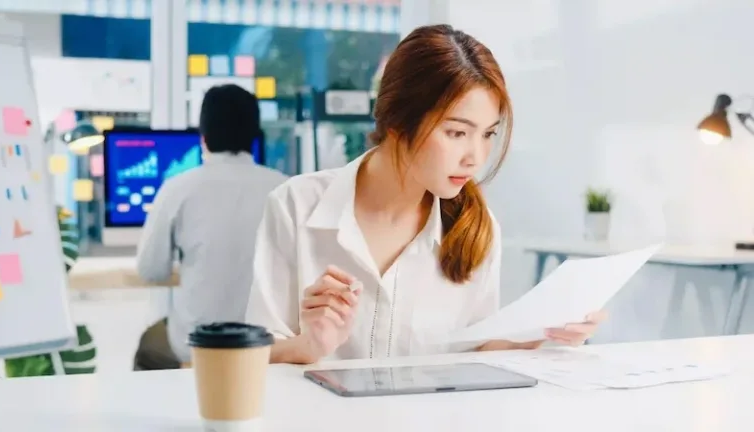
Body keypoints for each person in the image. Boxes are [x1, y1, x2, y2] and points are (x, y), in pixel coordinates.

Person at [246, 25, 606, 364]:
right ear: (398, 121)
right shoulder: (296, 207)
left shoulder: (476, 229)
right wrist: (310, 345)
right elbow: (251, 355)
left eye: (488, 134)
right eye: (456, 133)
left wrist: (541, 332)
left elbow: (475, 348)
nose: (476, 158)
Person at [134, 84, 288, 370]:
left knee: (149, 344)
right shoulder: (284, 188)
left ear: (202, 137)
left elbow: (150, 269)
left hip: (197, 344)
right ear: (255, 134)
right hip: (269, 342)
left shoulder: (177, 188)